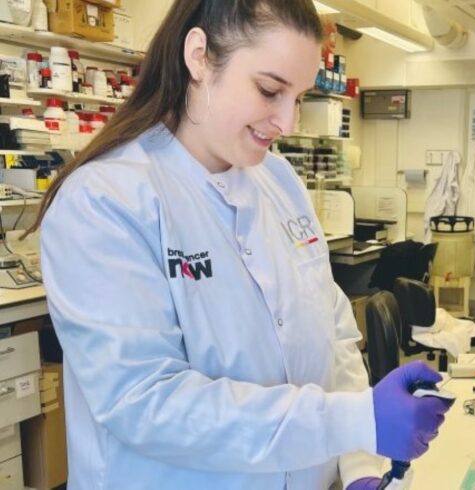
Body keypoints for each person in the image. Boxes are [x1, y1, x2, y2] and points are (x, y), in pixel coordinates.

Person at [31, 1, 452, 489]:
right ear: (199, 57)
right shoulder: (106, 200)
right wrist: (354, 420)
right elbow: (146, 402)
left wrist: (357, 462)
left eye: (298, 97)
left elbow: (332, 336)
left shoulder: (279, 179)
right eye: (270, 90)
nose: (288, 121)